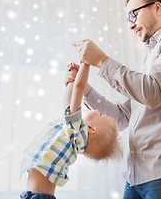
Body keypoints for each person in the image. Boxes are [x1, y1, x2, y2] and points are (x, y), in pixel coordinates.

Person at [74, 0, 161, 198]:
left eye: (133, 14)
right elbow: (122, 117)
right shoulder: (144, 63)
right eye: (127, 18)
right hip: (136, 176)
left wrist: (102, 61)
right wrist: (83, 88)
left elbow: (153, 92)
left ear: (157, 8)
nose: (130, 24)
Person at [20, 63, 122, 199]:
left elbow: (79, 88)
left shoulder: (76, 131)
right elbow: (68, 102)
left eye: (101, 115)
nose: (97, 110)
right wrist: (71, 79)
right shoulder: (71, 132)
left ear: (91, 129)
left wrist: (86, 64)